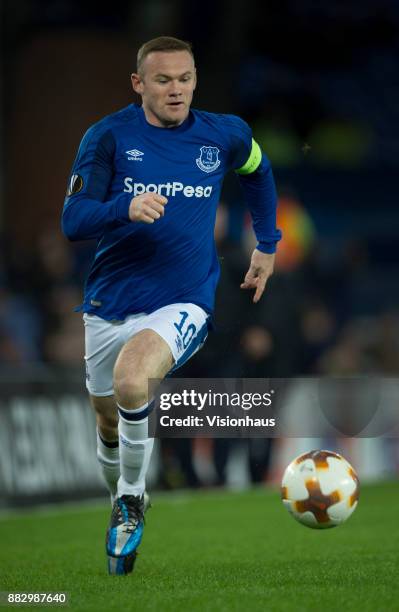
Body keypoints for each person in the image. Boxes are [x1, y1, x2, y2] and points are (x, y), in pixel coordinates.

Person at [62, 36, 281, 576]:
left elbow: (258, 171)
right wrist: (123, 207)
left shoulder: (224, 134)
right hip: (109, 302)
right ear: (139, 84)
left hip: (184, 300)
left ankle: (132, 499)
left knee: (135, 379)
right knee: (108, 423)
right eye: (163, 80)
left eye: (184, 78)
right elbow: (73, 220)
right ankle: (121, 492)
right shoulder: (108, 136)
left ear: (195, 79)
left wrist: (268, 243)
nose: (176, 89)